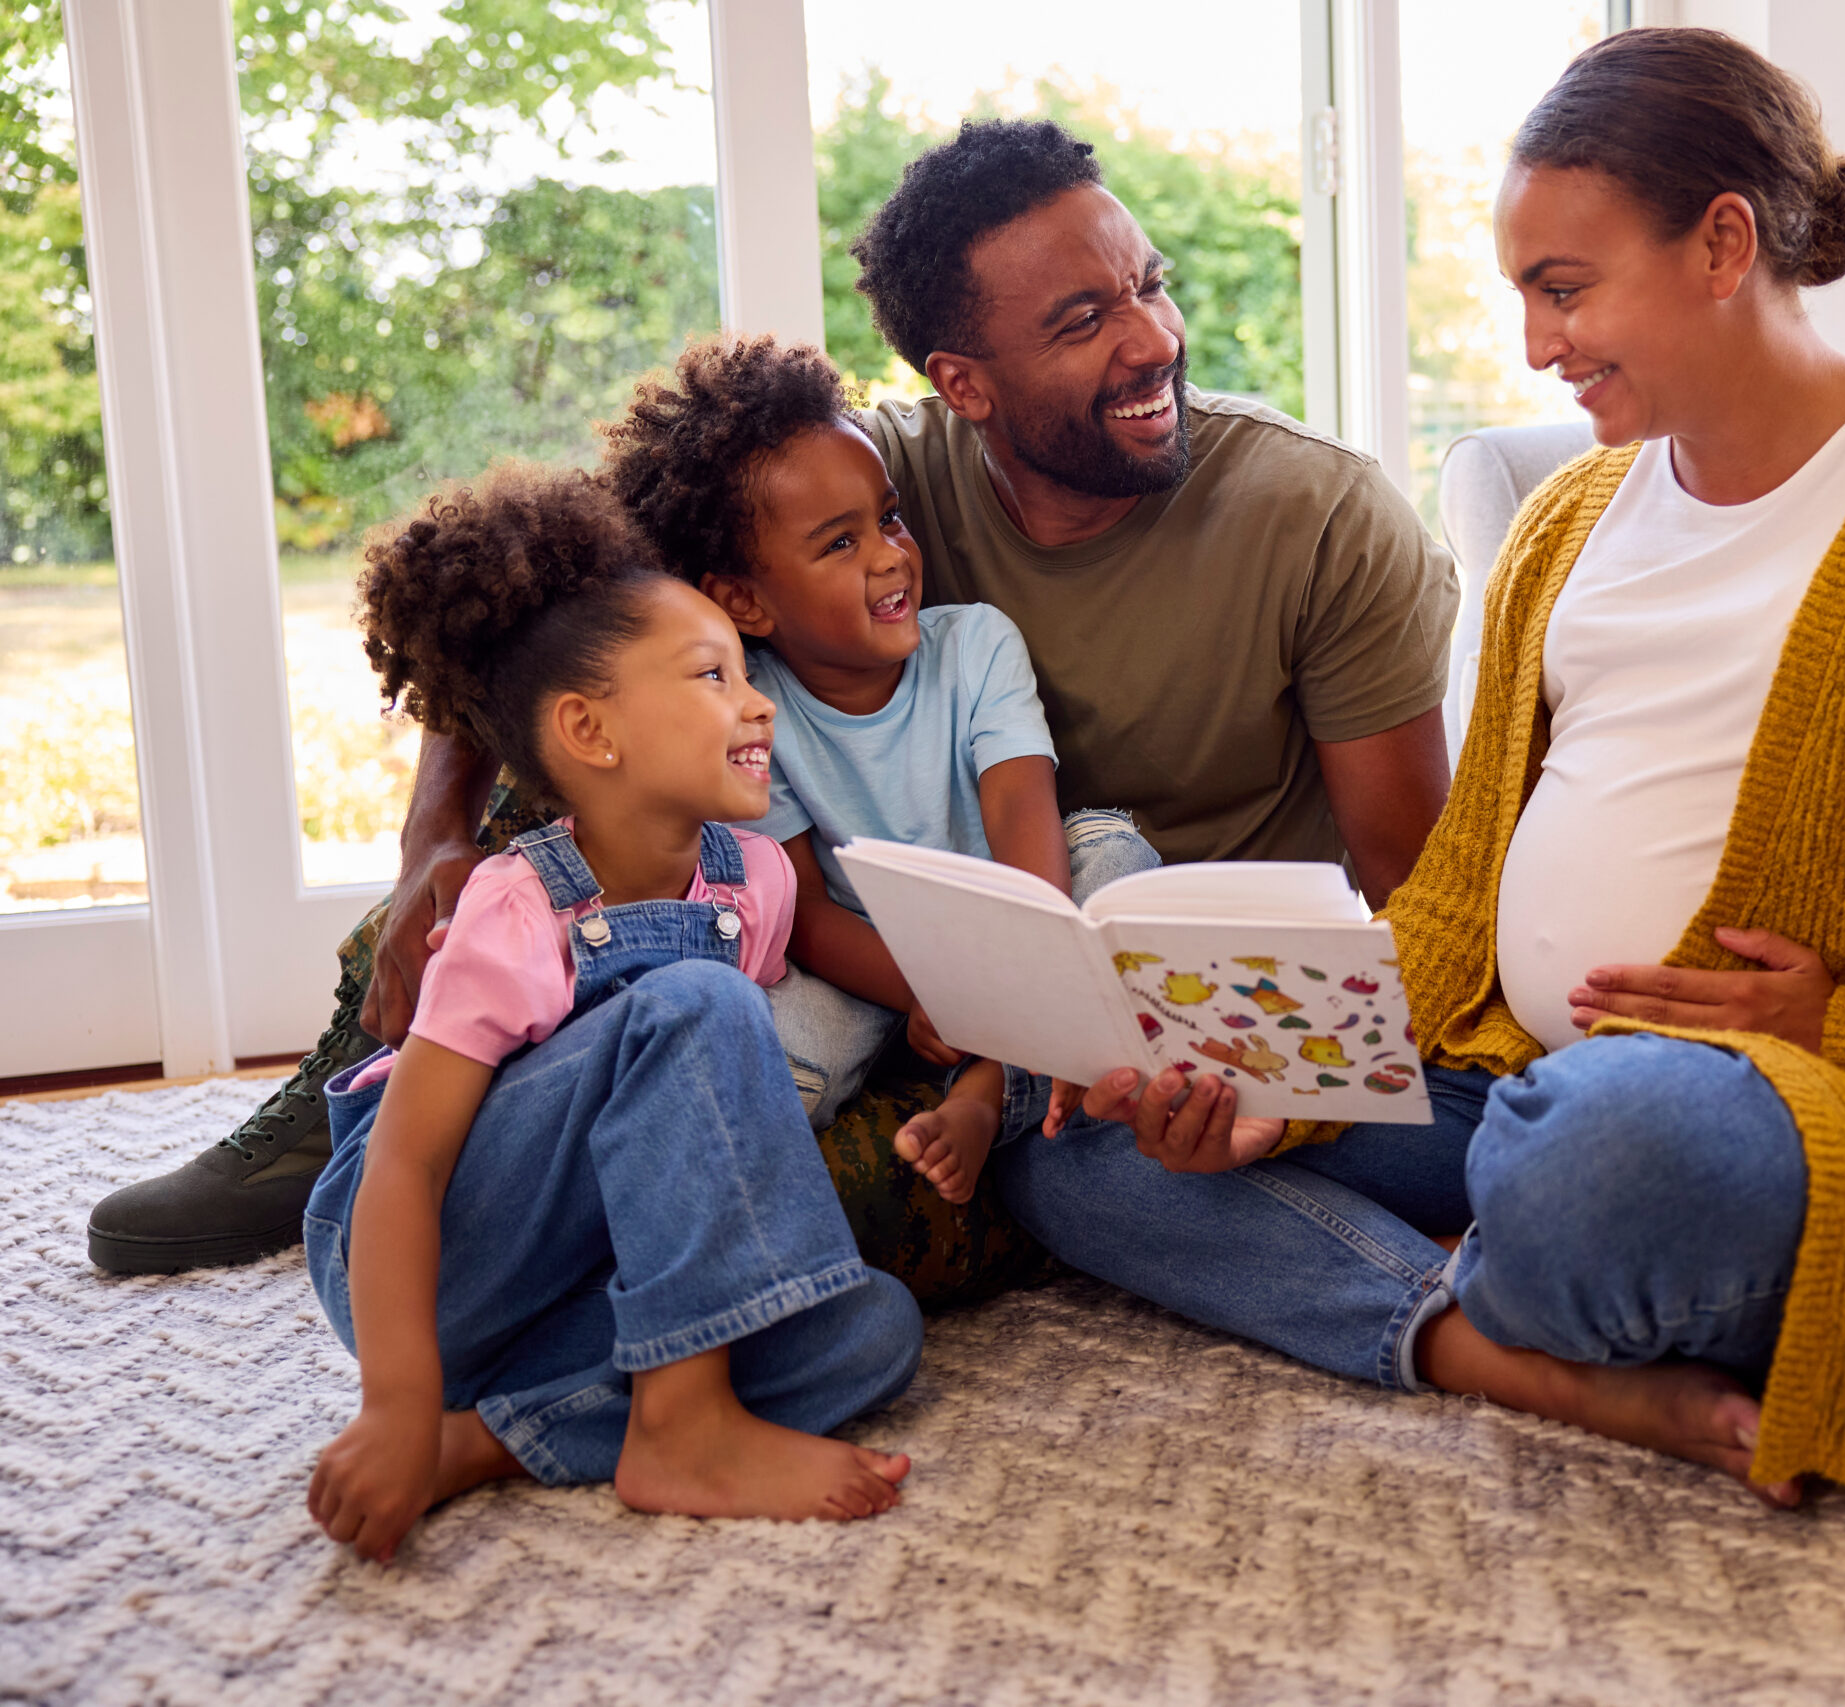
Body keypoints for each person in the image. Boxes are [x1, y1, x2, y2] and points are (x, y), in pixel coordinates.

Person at [995, 27, 1845, 1526]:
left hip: (1794, 1117)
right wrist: (1287, 1088)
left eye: (1564, 289)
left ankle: (1462, 1258)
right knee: (1082, 1152)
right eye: (1523, 295)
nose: (1535, 345)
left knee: (1604, 1162)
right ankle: (1490, 1337)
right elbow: (1455, 896)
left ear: (1723, 243)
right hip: (1494, 1076)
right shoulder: (1566, 519)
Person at [90, 116, 1457, 1276]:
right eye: (1083, 319)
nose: (1153, 338)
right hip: (870, 947)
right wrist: (433, 838)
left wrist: (1275, 1085)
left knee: (820, 1212)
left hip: (1116, 1007)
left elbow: (1413, 880)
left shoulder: (1319, 515)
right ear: (961, 384)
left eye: (1148, 285)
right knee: (607, 709)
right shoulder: (873, 481)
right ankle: (352, 1104)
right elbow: (546, 593)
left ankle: (557, 1240)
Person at [303, 467, 922, 1563]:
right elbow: (407, 1167)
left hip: (586, 1284)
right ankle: (678, 1429)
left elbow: (706, 1120)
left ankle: (487, 1444)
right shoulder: (517, 904)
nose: (757, 701)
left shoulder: (756, 885)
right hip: (437, 1259)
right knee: (698, 999)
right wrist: (393, 1402)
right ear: (590, 731)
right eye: (710, 676)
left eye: (746, 674)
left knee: (862, 1330)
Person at [597, 331, 1160, 1201]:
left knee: (1116, 858)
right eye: (838, 545)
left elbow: (1025, 822)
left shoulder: (976, 644)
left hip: (1021, 926)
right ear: (744, 599)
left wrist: (985, 995)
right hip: (868, 962)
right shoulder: (752, 714)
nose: (891, 556)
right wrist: (928, 990)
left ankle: (984, 1094)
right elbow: (807, 914)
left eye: (887, 517)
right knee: (768, 1042)